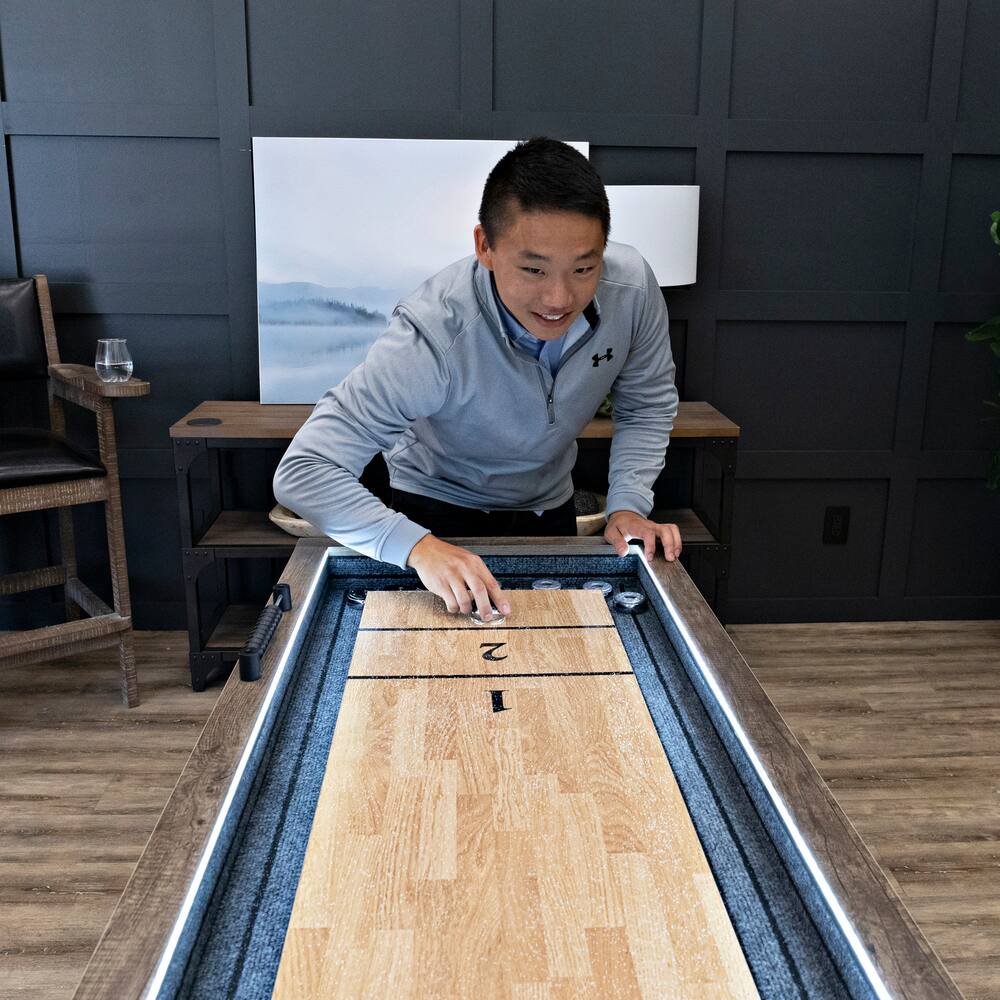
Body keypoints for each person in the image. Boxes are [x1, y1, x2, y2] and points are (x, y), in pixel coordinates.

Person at [273, 137, 680, 622]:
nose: (559, 298)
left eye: (584, 268)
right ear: (484, 246)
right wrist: (416, 546)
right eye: (533, 268)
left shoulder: (632, 289)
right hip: (433, 509)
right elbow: (304, 471)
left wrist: (628, 505)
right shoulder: (431, 333)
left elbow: (647, 404)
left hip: (548, 503)